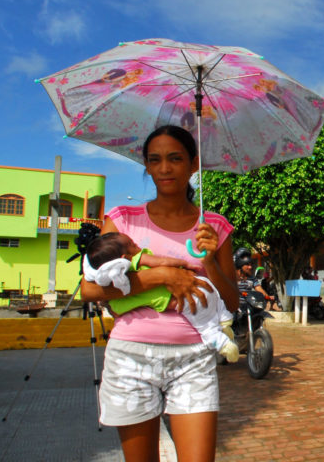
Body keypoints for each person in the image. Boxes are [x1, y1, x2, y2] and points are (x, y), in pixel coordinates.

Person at [80, 125, 239, 462]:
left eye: (175, 158)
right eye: (155, 160)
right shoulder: (122, 220)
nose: (165, 168)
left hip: (194, 359)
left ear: (194, 164)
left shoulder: (215, 227)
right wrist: (161, 276)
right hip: (130, 359)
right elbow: (90, 288)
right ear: (147, 166)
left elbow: (232, 302)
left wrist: (209, 260)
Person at [84, 232, 239, 363]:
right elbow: (164, 261)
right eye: (131, 243)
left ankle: (220, 334)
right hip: (187, 291)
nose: (136, 243)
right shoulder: (138, 259)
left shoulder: (118, 295)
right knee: (209, 303)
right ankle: (222, 332)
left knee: (201, 318)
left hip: (171, 304)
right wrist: (185, 264)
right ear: (125, 256)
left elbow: (117, 311)